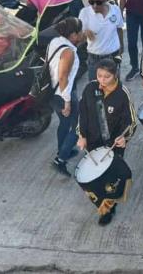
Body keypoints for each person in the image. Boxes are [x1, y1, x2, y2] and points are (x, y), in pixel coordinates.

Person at [76, 58, 136, 226]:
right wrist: (81, 135)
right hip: (93, 142)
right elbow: (83, 114)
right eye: (99, 76)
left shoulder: (122, 93)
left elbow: (130, 121)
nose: (101, 80)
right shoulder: (90, 88)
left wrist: (124, 137)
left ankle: (110, 206)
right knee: (95, 177)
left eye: (106, 77)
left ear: (115, 75)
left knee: (110, 179)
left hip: (112, 145)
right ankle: (103, 204)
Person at [46, 17, 83, 176]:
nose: (81, 35)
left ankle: (63, 151)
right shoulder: (68, 52)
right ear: (73, 34)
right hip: (63, 94)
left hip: (52, 93)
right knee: (79, 125)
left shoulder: (55, 42)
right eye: (79, 32)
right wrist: (67, 101)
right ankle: (60, 160)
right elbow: (63, 77)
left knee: (64, 123)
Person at [79, 0, 124, 81]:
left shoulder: (115, 10)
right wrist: (85, 33)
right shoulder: (85, 13)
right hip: (94, 58)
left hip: (112, 57)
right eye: (91, 2)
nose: (94, 5)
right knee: (95, 89)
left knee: (113, 89)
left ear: (105, 0)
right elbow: (79, 39)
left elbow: (119, 28)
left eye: (98, 2)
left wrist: (121, 47)